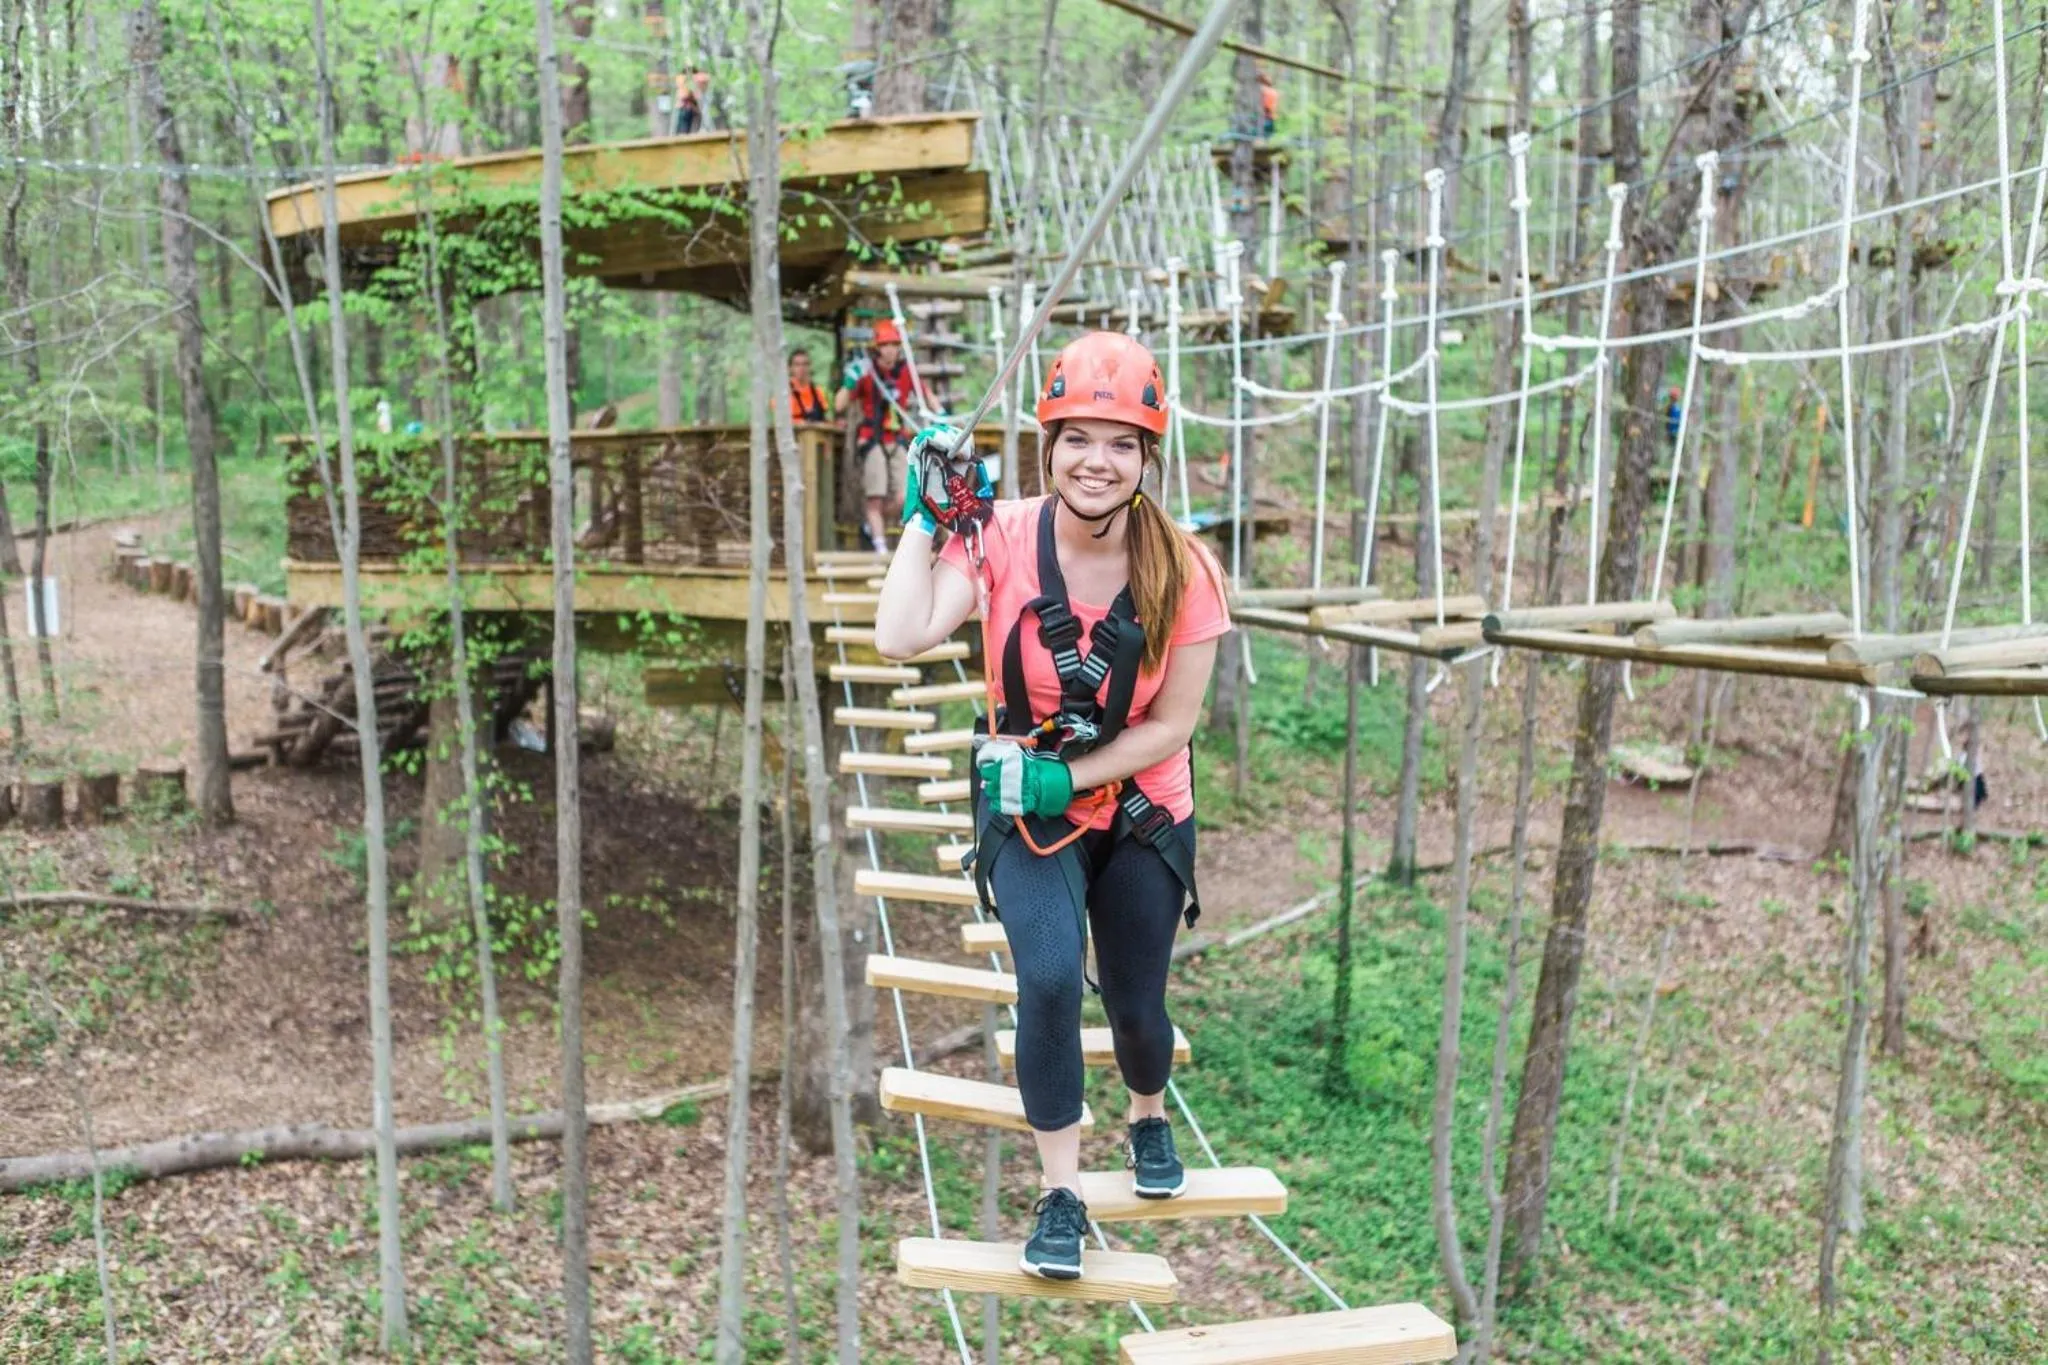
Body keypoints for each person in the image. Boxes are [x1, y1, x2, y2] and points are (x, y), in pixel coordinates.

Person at [872, 332, 1231, 1283]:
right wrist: (926, 517)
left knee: (1138, 1006)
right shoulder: (999, 537)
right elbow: (900, 632)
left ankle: (1147, 1113)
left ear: (1149, 458)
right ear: (1049, 444)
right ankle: (1062, 1190)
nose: (1097, 461)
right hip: (1027, 815)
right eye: (1079, 438)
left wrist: (1066, 777)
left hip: (1144, 805)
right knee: (1046, 979)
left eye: (1121, 443)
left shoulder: (1186, 569)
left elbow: (1173, 725)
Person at [835, 318, 928, 552]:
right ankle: (880, 547)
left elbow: (928, 397)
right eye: (886, 345)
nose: (891, 350)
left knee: (904, 496)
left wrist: (944, 415)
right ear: (877, 348)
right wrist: (850, 381)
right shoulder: (866, 372)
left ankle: (871, 522)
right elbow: (839, 405)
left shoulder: (906, 372)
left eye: (895, 345)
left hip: (897, 439)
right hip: (872, 439)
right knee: (874, 497)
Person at [787, 348, 828, 423]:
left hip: (816, 433)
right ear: (790, 368)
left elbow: (824, 419)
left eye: (805, 364)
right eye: (797, 365)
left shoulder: (817, 392)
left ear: (809, 367)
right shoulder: (783, 393)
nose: (801, 368)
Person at [1258, 68, 1279, 138]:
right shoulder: (1272, 91)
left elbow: (1267, 106)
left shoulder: (1265, 90)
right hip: (1268, 116)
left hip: (1266, 116)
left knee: (1264, 136)